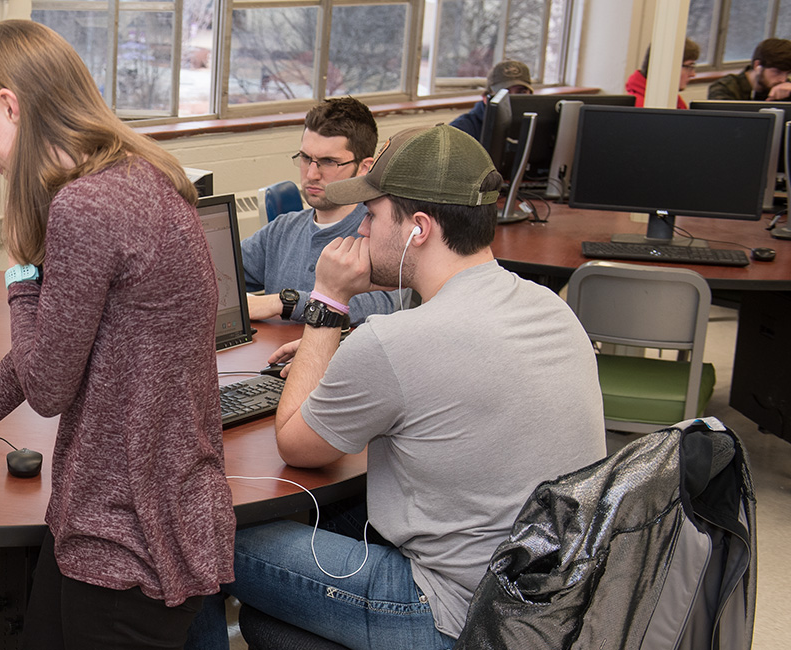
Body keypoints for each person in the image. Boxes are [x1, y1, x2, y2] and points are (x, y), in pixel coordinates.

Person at [185, 125, 606, 649]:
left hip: (453, 611)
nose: (361, 230)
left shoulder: (398, 342)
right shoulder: (548, 306)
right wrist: (348, 351)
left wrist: (328, 306)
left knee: (196, 529)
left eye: (373, 215)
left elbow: (297, 447)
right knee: (271, 628)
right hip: (542, 605)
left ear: (419, 229)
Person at [0, 19, 234, 649]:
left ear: (11, 107)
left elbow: (46, 384)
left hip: (127, 532)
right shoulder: (139, 175)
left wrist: (21, 270)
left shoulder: (86, 207)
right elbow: (45, 355)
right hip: (141, 509)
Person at [242, 97, 403, 326]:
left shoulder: (381, 236)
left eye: (328, 162)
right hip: (271, 359)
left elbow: (382, 305)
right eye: (306, 158)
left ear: (364, 168)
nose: (311, 175)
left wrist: (283, 303)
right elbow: (219, 274)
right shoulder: (282, 229)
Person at [449, 60, 534, 141]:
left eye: (521, 92)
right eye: (504, 93)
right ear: (485, 98)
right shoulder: (461, 130)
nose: (513, 98)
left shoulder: (535, 125)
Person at [708, 37, 791, 101]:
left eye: (787, 73)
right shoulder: (725, 88)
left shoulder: (786, 88)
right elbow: (725, 120)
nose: (783, 80)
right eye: (777, 72)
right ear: (757, 65)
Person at [627, 40, 701, 108]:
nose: (693, 74)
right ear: (668, 67)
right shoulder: (641, 108)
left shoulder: (672, 101)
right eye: (689, 67)